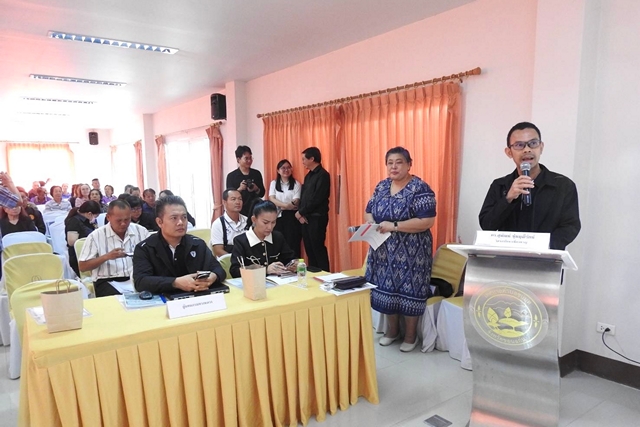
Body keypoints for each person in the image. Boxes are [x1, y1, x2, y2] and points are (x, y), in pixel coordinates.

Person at [365, 147, 436, 353]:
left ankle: (410, 336)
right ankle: (392, 332)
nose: (394, 167)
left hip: (413, 252)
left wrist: (394, 226)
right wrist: (370, 223)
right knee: (386, 289)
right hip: (383, 250)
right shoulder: (382, 186)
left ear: (409, 164)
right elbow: (369, 210)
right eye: (390, 163)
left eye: (399, 162)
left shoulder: (420, 188)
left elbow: (427, 221)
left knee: (409, 291)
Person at [479, 122, 581, 250]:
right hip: (506, 257)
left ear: (541, 147)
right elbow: (487, 225)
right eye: (519, 145)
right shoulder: (500, 185)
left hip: (546, 257)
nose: (527, 150)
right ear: (509, 152)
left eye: (533, 143)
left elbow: (571, 226)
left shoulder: (563, 185)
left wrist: (544, 246)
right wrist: (508, 198)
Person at [132, 195, 226, 295]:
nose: (181, 222)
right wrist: (175, 283)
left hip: (197, 298)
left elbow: (218, 269)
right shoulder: (145, 248)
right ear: (159, 222)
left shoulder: (197, 244)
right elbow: (141, 282)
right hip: (163, 300)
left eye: (184, 217)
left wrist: (213, 276)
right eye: (174, 218)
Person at [78, 200, 149, 297]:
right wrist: (107, 257)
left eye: (127, 219)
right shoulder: (95, 236)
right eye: (119, 220)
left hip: (137, 277)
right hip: (107, 280)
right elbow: (82, 266)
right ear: (108, 217)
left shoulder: (141, 231)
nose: (123, 224)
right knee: (118, 301)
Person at [229, 200, 296, 278]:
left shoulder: (278, 237)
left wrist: (294, 264)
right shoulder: (241, 241)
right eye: (265, 222)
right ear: (254, 220)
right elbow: (235, 271)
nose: (270, 227)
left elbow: (290, 258)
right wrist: (265, 270)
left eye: (273, 222)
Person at [295, 147, 331, 271]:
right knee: (309, 249)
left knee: (317, 247)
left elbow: (317, 198)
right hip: (305, 217)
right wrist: (300, 213)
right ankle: (313, 274)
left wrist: (301, 212)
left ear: (312, 159)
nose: (302, 162)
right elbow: (304, 196)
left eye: (304, 159)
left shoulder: (323, 175)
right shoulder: (308, 176)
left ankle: (324, 274)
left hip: (317, 217)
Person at [268, 159, 302, 258]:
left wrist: (283, 205)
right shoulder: (274, 183)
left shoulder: (296, 184)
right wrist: (286, 206)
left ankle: (294, 264)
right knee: (278, 241)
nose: (286, 170)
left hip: (292, 217)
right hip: (277, 216)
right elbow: (272, 198)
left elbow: (296, 200)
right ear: (278, 170)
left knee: (293, 242)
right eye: (283, 168)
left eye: (288, 168)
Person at [225, 146, 266, 217]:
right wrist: (239, 189)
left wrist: (256, 189)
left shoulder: (256, 173)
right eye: (246, 158)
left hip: (255, 209)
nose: (249, 161)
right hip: (239, 210)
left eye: (250, 158)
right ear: (238, 159)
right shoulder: (231, 176)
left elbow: (262, 193)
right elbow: (229, 196)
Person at [64, 201, 101, 277]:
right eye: (95, 216)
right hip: (79, 257)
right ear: (89, 214)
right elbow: (71, 242)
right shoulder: (74, 221)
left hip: (91, 254)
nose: (95, 219)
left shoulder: (89, 220)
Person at [210, 189, 247, 257]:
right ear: (224, 202)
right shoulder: (218, 224)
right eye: (233, 199)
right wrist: (235, 260)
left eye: (240, 199)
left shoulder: (247, 221)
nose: (238, 202)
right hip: (227, 259)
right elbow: (218, 251)